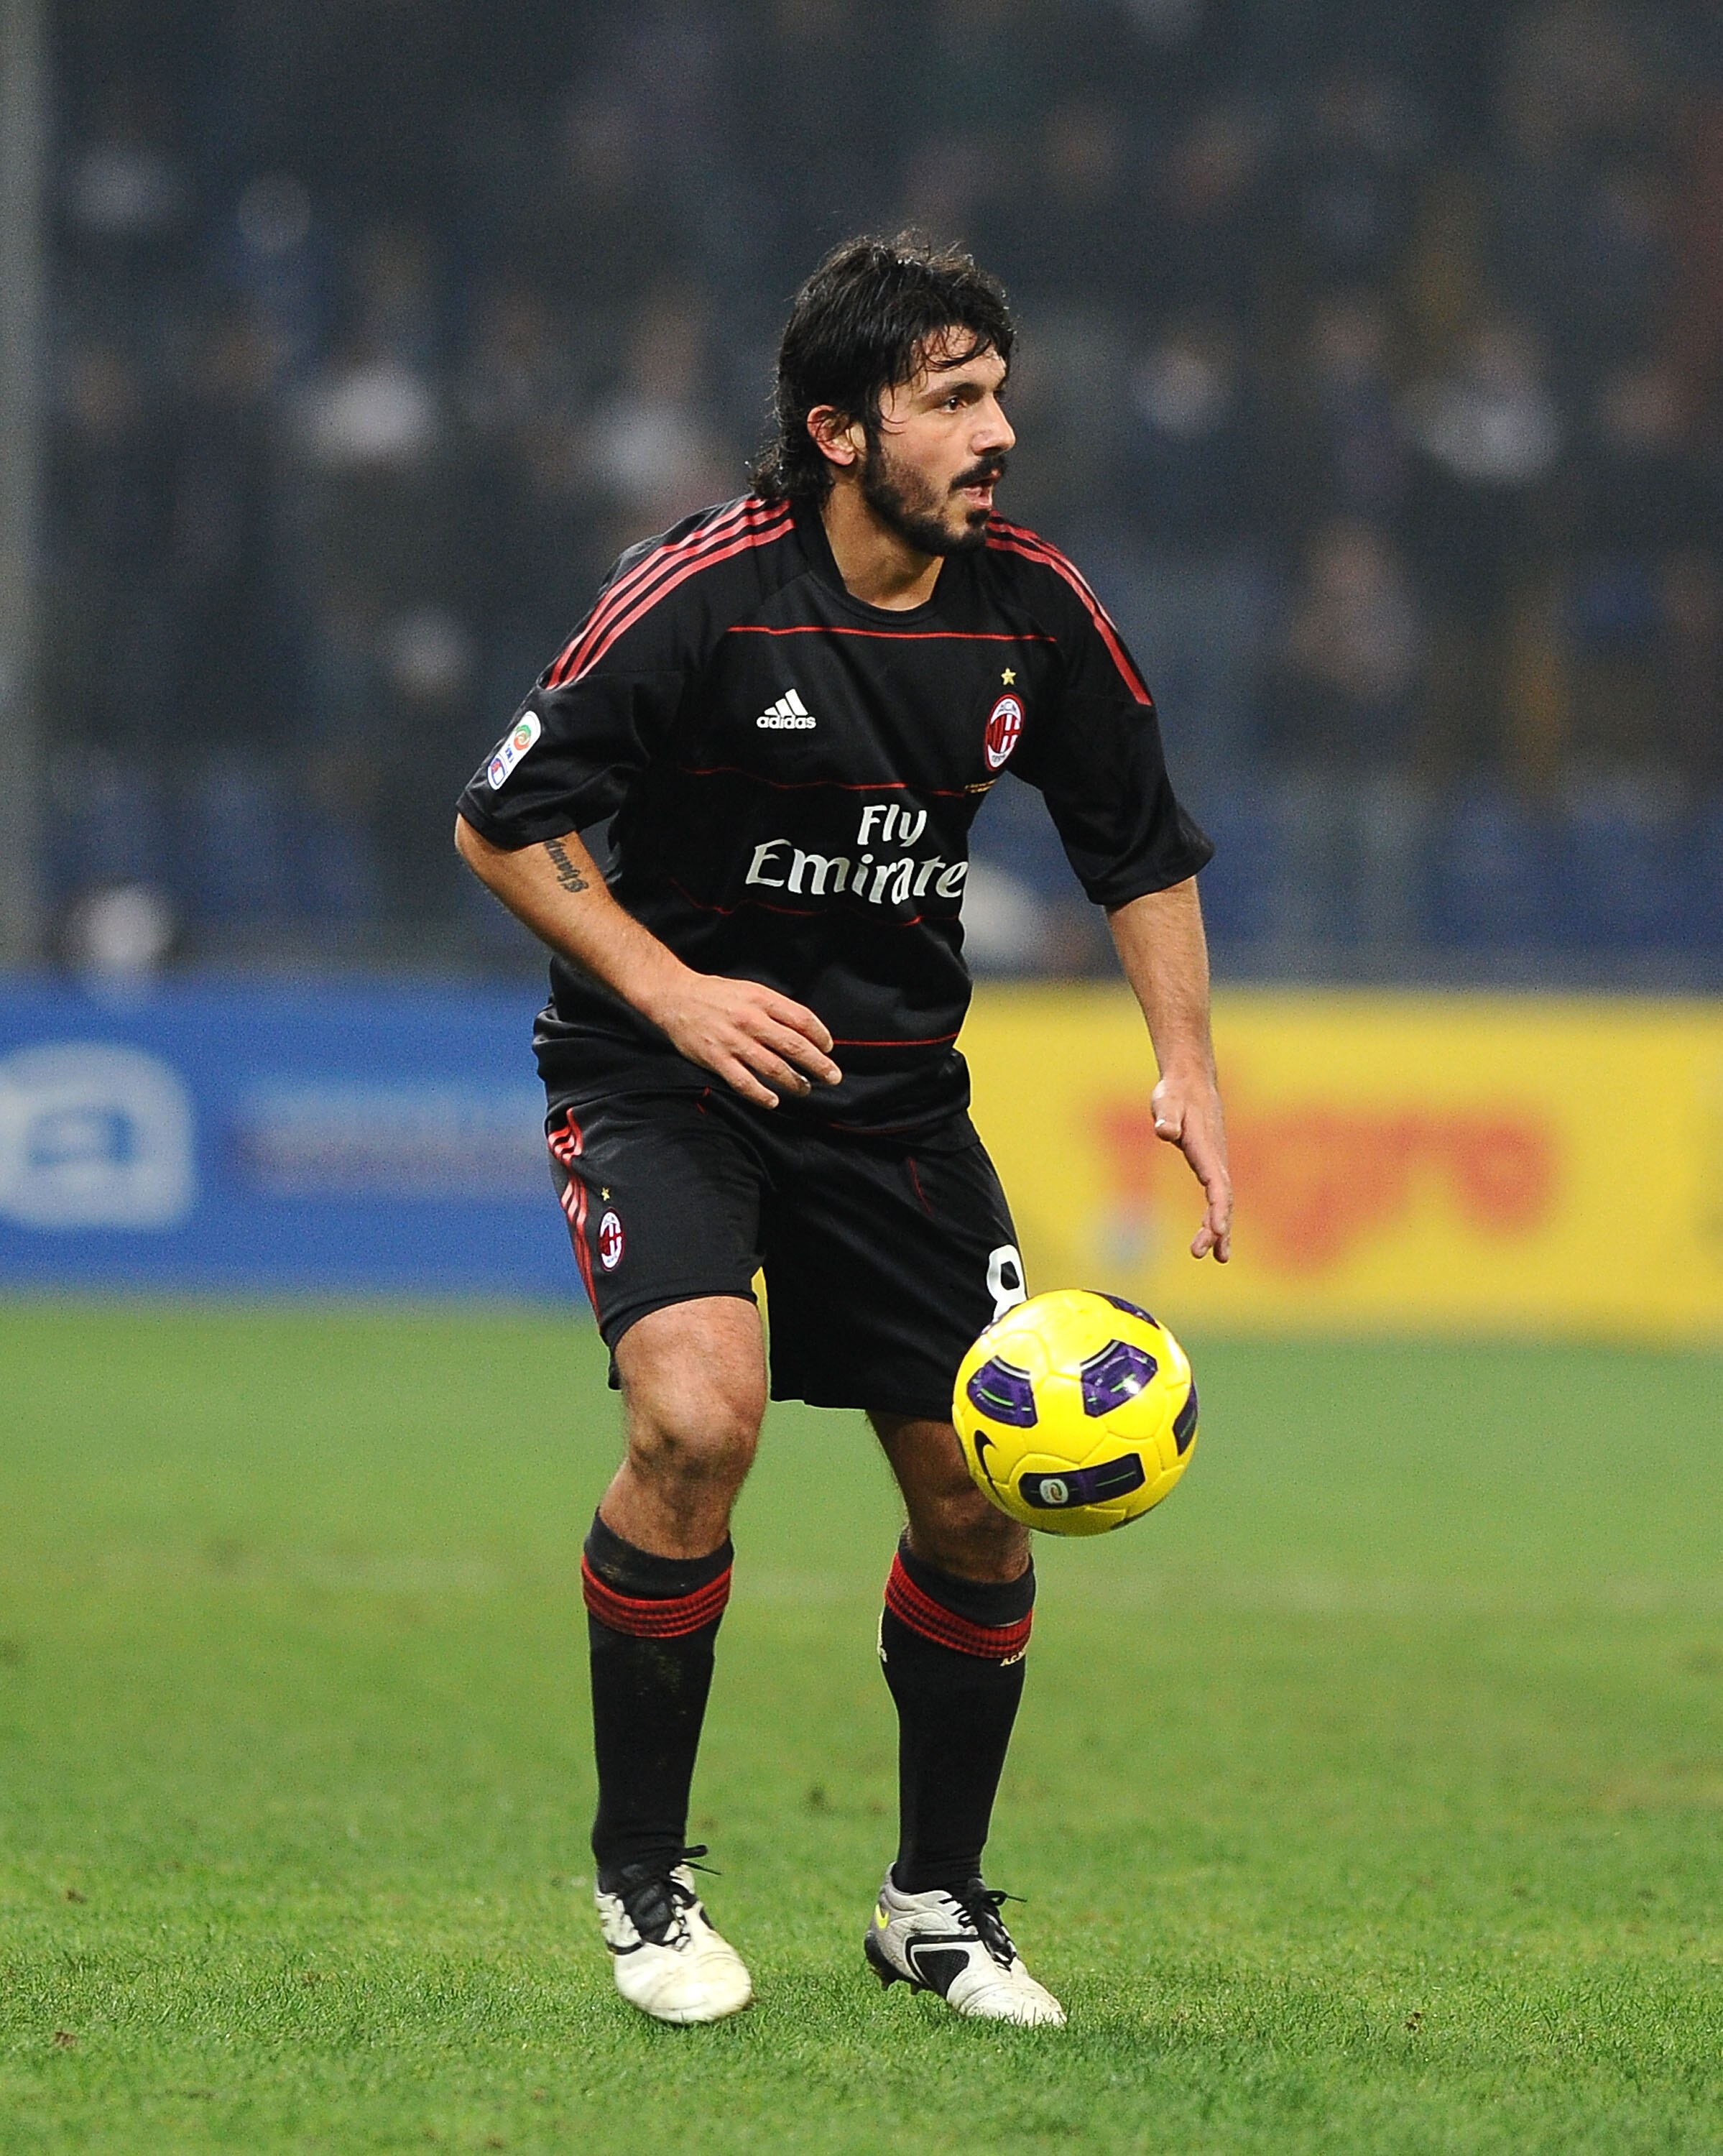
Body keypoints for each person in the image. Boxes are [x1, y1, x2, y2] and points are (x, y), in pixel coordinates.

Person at [453, 236, 1231, 2029]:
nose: (997, 432)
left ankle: (933, 1906)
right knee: (695, 1416)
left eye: (997, 392)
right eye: (950, 399)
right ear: (834, 429)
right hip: (665, 1077)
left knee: (974, 1488)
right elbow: (506, 818)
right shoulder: (701, 597)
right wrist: (671, 991)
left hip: (888, 1100)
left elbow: (1138, 841)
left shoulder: (1029, 605)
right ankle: (644, 1888)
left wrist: (1183, 1060)